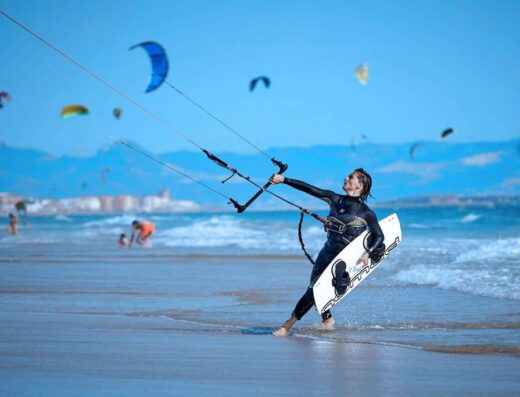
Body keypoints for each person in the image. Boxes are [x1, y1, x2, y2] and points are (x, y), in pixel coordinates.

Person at [270, 168, 385, 336]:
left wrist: (367, 253)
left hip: (343, 259)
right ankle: (327, 319)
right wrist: (284, 180)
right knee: (315, 287)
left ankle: (287, 326)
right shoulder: (335, 199)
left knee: (314, 290)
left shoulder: (366, 213)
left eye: (350, 177)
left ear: (360, 185)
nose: (346, 178)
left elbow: (379, 236)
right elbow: (310, 189)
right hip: (326, 252)